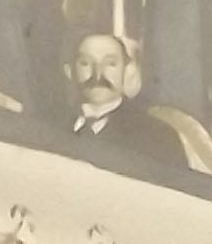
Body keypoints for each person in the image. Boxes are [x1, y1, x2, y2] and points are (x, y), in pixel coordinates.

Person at [61, 30, 190, 168]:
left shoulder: (159, 137)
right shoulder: (49, 126)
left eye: (110, 64)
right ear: (69, 71)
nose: (98, 74)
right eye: (85, 63)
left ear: (126, 71)